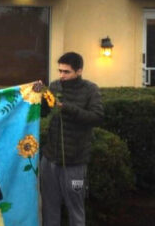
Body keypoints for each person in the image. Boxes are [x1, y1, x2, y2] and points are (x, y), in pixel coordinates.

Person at [40, 52, 104, 226]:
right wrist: (39, 99)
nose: (62, 75)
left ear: (79, 71)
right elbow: (42, 113)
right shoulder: (54, 86)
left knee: (75, 208)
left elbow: (97, 117)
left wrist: (67, 108)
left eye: (66, 72)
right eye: (60, 71)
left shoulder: (91, 89)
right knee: (49, 207)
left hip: (75, 162)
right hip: (50, 159)